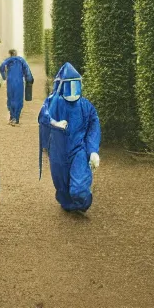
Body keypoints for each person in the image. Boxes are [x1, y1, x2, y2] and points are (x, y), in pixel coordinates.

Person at [38, 62, 101, 213]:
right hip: (58, 151)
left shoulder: (85, 105)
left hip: (78, 149)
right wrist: (55, 123)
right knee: (61, 184)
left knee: (79, 187)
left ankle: (81, 201)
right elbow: (43, 115)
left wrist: (92, 150)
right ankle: (69, 204)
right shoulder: (54, 102)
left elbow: (94, 125)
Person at [0, 49, 34, 126]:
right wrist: (29, 79)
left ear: (10, 54)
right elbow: (27, 70)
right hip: (19, 81)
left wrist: (4, 77)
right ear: (16, 53)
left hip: (10, 81)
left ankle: (12, 117)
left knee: (11, 98)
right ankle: (16, 118)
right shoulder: (21, 60)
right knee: (18, 98)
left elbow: (1, 68)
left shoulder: (8, 60)